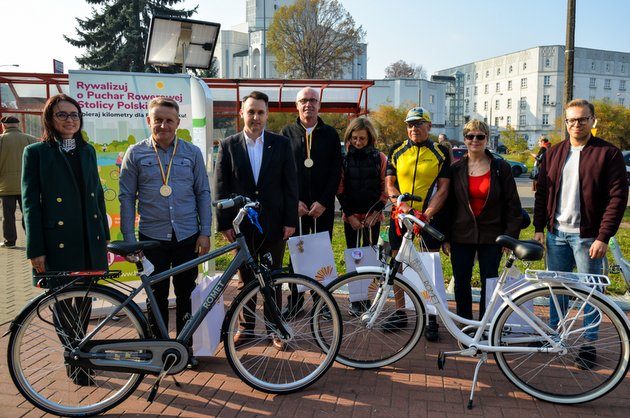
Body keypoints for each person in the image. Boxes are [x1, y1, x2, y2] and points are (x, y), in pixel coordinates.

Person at [21, 94, 110, 385]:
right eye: (62, 115)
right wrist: (35, 249)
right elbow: (30, 202)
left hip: (88, 239)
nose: (70, 119)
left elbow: (96, 196)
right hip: (56, 242)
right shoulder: (35, 153)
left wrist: (103, 240)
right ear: (50, 118)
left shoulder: (88, 151)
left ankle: (79, 353)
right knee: (62, 303)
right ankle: (73, 356)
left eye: (74, 114)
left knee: (83, 302)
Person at [534, 99, 628, 370]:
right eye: (571, 120)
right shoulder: (555, 153)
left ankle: (588, 344)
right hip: (556, 235)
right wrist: (539, 228)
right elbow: (543, 192)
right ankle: (555, 336)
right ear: (565, 123)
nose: (576, 124)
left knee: (590, 292)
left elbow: (618, 197)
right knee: (557, 290)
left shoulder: (608, 154)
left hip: (588, 237)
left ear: (592, 120)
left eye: (582, 119)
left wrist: (603, 236)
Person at [119, 97, 211, 369]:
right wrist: (129, 242)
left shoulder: (192, 153)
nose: (163, 125)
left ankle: (184, 349)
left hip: (187, 237)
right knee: (156, 295)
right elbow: (126, 198)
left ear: (178, 123)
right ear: (149, 120)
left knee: (186, 293)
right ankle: (157, 351)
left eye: (169, 120)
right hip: (151, 238)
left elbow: (203, 193)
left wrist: (205, 232)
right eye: (157, 119)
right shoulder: (135, 154)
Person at [214, 91, 298, 350]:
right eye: (251, 111)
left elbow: (290, 185)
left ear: (267, 114)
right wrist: (224, 223)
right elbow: (220, 185)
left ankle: (275, 327)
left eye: (260, 112)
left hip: (274, 224)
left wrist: (290, 220)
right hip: (242, 225)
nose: (256, 117)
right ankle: (246, 328)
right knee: (246, 279)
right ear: (242, 113)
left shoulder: (281, 144)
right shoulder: (228, 145)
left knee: (272, 278)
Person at [442, 119, 523, 320]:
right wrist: (445, 237)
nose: (475, 140)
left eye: (480, 136)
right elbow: (448, 206)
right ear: (465, 139)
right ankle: (465, 325)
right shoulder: (456, 169)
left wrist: (510, 236)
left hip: (492, 235)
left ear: (487, 139)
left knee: (490, 283)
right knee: (461, 282)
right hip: (461, 234)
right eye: (470, 136)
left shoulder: (500, 167)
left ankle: (486, 325)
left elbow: (513, 204)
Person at [385, 107, 451, 341]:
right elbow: (390, 185)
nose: (414, 128)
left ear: (429, 126)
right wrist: (402, 207)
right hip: (401, 216)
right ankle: (400, 311)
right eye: (410, 125)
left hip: (428, 218)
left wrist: (427, 214)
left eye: (419, 124)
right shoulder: (397, 150)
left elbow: (443, 188)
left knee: (428, 267)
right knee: (398, 264)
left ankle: (430, 316)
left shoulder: (440, 152)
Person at [281, 87, 342, 315]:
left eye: (313, 100)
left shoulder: (330, 134)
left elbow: (336, 171)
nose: (308, 104)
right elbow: (282, 171)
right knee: (296, 254)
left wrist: (325, 201)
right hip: (295, 208)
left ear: (319, 105)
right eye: (304, 100)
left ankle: (321, 302)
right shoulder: (286, 133)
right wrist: (293, 201)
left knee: (320, 255)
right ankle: (295, 302)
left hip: (321, 208)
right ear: (297, 105)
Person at [337, 118, 387, 316]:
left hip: (372, 217)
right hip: (351, 216)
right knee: (353, 257)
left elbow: (384, 186)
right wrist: (349, 215)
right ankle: (355, 298)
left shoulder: (379, 158)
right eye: (355, 138)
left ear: (370, 138)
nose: (358, 142)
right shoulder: (344, 160)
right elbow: (340, 189)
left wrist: (376, 213)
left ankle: (367, 297)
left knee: (369, 258)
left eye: (362, 139)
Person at [0, 116, 37, 247]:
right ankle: (31, 240)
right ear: (18, 125)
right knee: (28, 213)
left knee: (8, 216)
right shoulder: (31, 139)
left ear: (4, 126)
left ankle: (10, 241)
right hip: (27, 185)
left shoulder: (1, 140)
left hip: (5, 186)